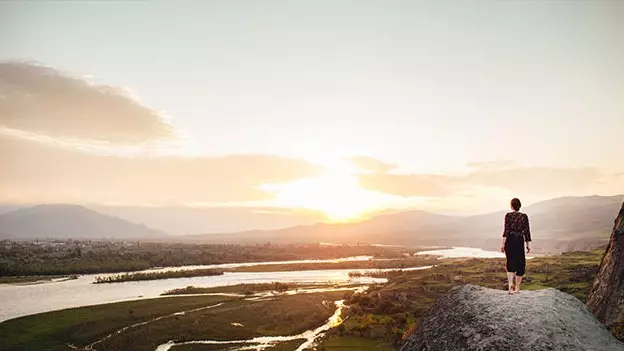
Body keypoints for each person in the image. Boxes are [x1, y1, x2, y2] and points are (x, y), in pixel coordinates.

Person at [500, 198, 532, 294]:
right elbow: (527, 232)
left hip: (510, 240)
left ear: (511, 206)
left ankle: (510, 286)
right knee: (520, 263)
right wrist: (527, 245)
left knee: (510, 262)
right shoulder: (524, 216)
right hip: (519, 240)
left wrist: (502, 244)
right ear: (520, 206)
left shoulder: (508, 216)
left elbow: (506, 231)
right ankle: (517, 288)